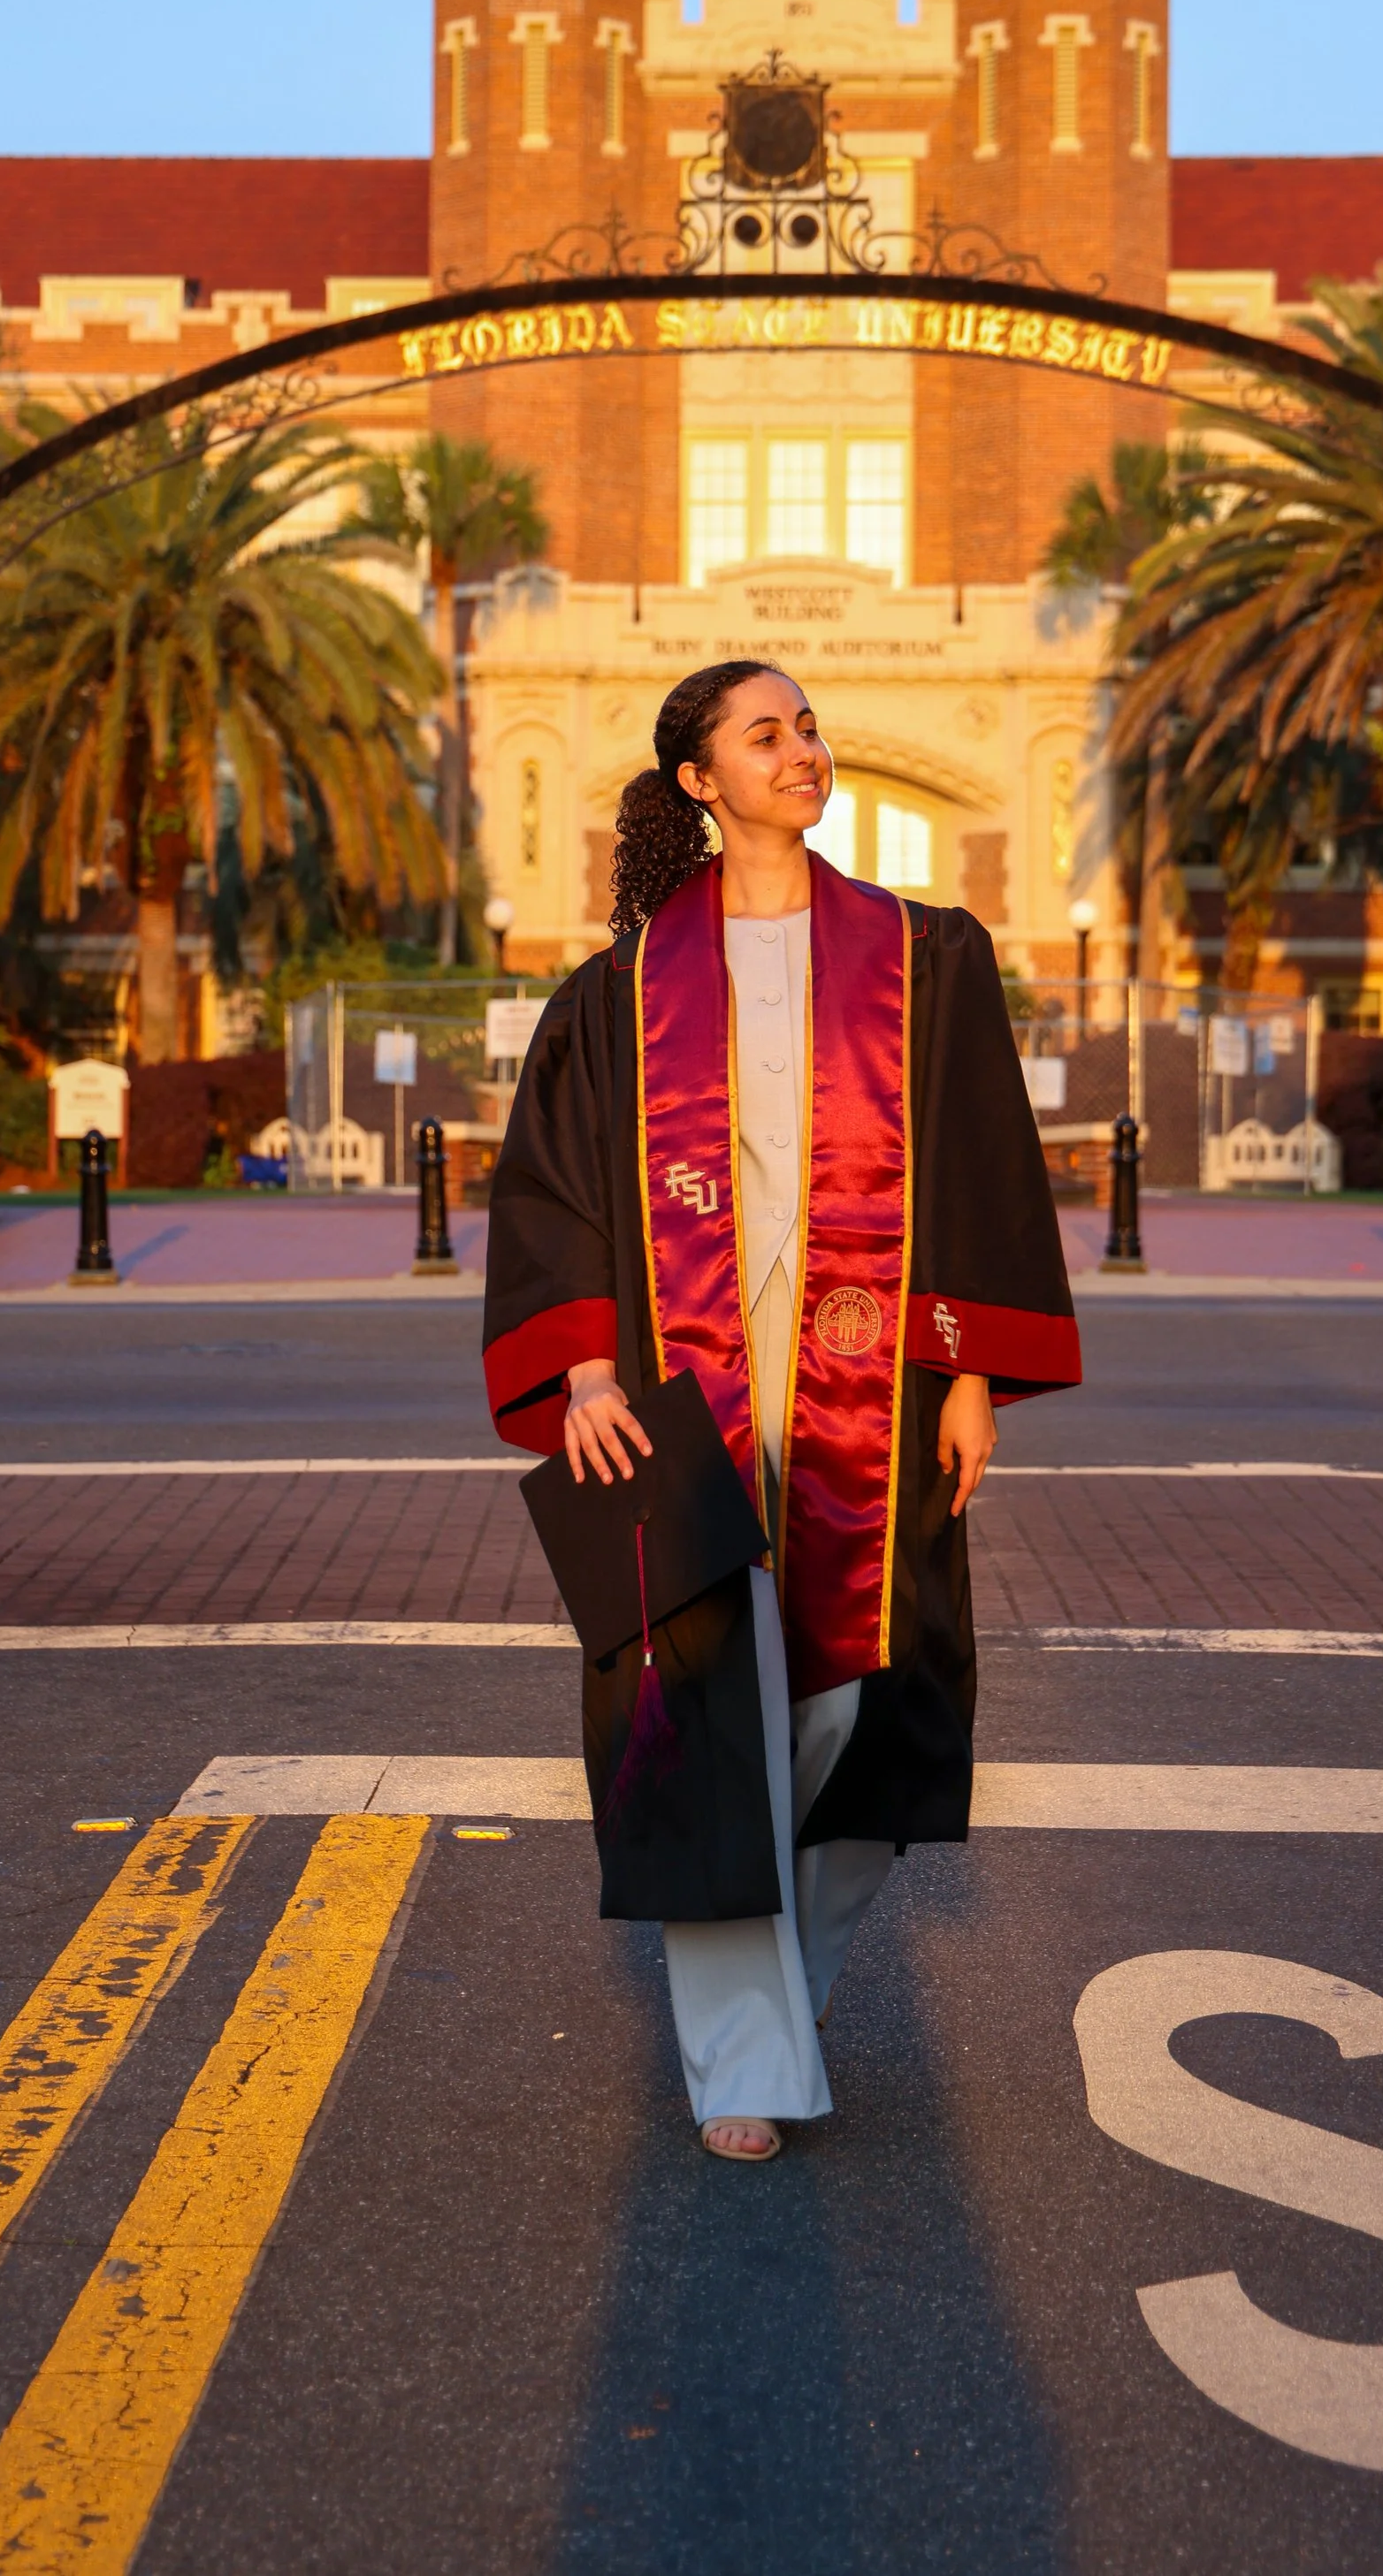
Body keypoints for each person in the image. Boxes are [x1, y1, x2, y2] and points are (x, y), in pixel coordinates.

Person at [483, 661, 1081, 2160]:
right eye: (768, 735)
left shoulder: (926, 956)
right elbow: (554, 1188)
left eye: (808, 727)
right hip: (679, 1381)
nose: (804, 750)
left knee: (869, 1711)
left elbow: (979, 1164)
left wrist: (966, 1371)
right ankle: (746, 2057)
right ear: (702, 781)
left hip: (868, 1378)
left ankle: (777, 2004)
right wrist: (586, 1369)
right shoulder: (621, 991)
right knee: (704, 1717)